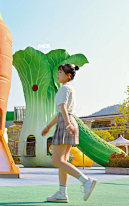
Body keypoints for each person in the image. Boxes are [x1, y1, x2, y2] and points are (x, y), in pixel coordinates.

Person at [41, 64, 97, 203]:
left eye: (61, 72)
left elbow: (63, 108)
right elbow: (61, 111)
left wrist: (66, 125)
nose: (58, 74)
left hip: (66, 123)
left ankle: (86, 181)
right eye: (58, 71)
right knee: (63, 162)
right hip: (68, 121)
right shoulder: (70, 88)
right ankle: (62, 192)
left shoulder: (64, 88)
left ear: (68, 76)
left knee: (57, 161)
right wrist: (49, 126)